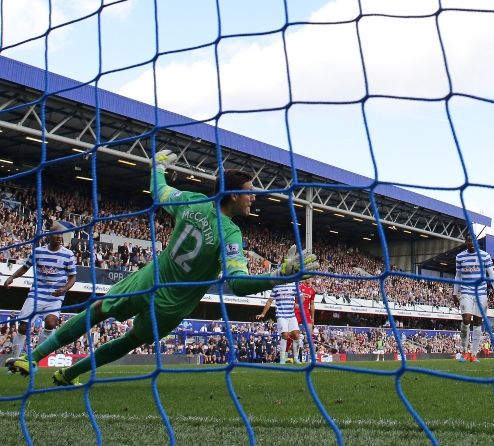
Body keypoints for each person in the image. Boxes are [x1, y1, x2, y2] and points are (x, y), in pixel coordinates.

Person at [6, 150, 319, 385]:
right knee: (128, 341)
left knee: (99, 309)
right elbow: (236, 283)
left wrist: (157, 167)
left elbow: (159, 192)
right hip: (174, 303)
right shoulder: (231, 233)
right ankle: (67, 374)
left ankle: (33, 358)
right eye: (250, 193)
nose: (254, 199)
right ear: (235, 195)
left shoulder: (193, 201)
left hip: (150, 278)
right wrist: (280, 275)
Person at [3, 220, 76, 362]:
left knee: (51, 324)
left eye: (61, 235)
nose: (59, 237)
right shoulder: (38, 251)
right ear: (49, 236)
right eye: (56, 234)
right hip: (36, 294)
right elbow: (25, 267)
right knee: (23, 327)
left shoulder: (68, 254)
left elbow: (72, 277)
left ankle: (34, 357)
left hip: (55, 296)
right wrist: (11, 277)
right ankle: (14, 359)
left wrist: (65, 289)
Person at [453, 234, 494, 363]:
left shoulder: (485, 256)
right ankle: (464, 351)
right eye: (469, 241)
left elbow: (491, 274)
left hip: (481, 293)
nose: (471, 243)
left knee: (478, 322)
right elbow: (458, 275)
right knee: (466, 319)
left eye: (473, 241)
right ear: (466, 242)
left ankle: (473, 354)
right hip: (466, 292)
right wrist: (454, 293)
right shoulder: (460, 257)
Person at [257, 281, 300, 364]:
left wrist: (298, 303)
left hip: (291, 315)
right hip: (281, 314)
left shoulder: (293, 286)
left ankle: (296, 358)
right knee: (285, 334)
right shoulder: (276, 287)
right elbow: (269, 301)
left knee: (296, 335)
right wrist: (263, 313)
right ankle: (282, 359)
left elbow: (301, 296)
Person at [294, 279, 316, 362]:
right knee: (295, 335)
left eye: (311, 277)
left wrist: (313, 318)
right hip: (297, 311)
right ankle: (295, 357)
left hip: (306, 312)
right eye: (308, 277)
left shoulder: (313, 290)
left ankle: (312, 357)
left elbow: (312, 304)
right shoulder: (299, 287)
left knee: (310, 335)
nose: (309, 279)